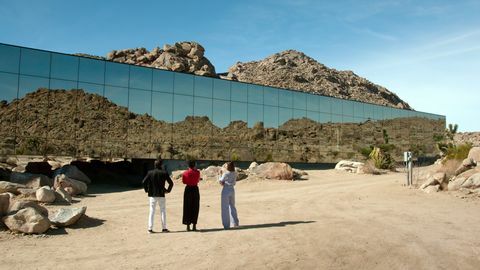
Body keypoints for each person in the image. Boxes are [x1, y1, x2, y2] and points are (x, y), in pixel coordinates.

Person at [142, 159, 173, 234]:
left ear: (154, 165)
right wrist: (168, 190)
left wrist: (147, 190)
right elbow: (171, 183)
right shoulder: (164, 173)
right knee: (163, 211)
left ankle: (150, 228)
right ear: (161, 165)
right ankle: (164, 228)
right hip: (161, 194)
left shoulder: (150, 173)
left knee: (152, 211)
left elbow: (144, 182)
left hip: (152, 194)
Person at [219, 161, 239, 229]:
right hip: (232, 189)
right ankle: (235, 222)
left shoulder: (226, 174)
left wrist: (220, 175)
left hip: (226, 190)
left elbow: (221, 182)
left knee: (225, 208)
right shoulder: (235, 173)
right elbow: (234, 183)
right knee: (232, 206)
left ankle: (226, 225)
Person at [182, 160, 201, 231]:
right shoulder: (197, 172)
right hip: (195, 189)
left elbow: (184, 182)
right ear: (194, 165)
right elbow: (198, 180)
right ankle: (194, 226)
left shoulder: (185, 173)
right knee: (195, 207)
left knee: (187, 207)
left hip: (188, 189)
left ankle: (187, 226)